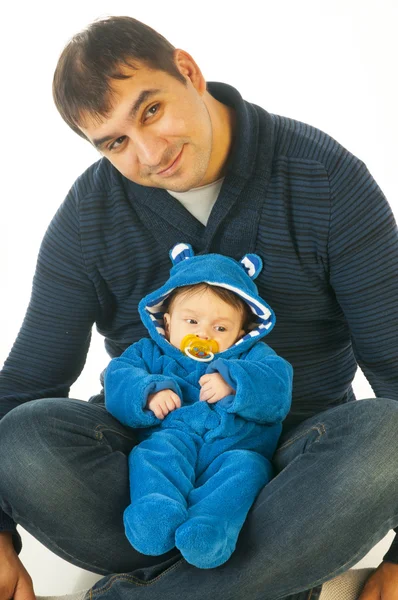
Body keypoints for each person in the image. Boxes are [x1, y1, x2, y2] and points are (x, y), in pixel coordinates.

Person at [0, 13, 397, 600]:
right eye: (115, 142)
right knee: (22, 438)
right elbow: (29, 382)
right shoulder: (89, 214)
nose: (149, 152)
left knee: (390, 437)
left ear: (187, 71)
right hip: (154, 461)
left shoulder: (327, 178)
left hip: (295, 469)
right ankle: (270, 578)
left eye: (150, 110)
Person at [104, 243, 292, 569]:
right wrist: (148, 393)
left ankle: (210, 527)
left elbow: (278, 390)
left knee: (248, 471)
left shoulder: (253, 356)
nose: (204, 333)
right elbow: (117, 377)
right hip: (173, 438)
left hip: (234, 447)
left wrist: (235, 381)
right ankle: (156, 509)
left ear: (242, 332)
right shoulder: (149, 352)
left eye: (220, 328)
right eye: (191, 321)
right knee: (151, 455)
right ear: (167, 320)